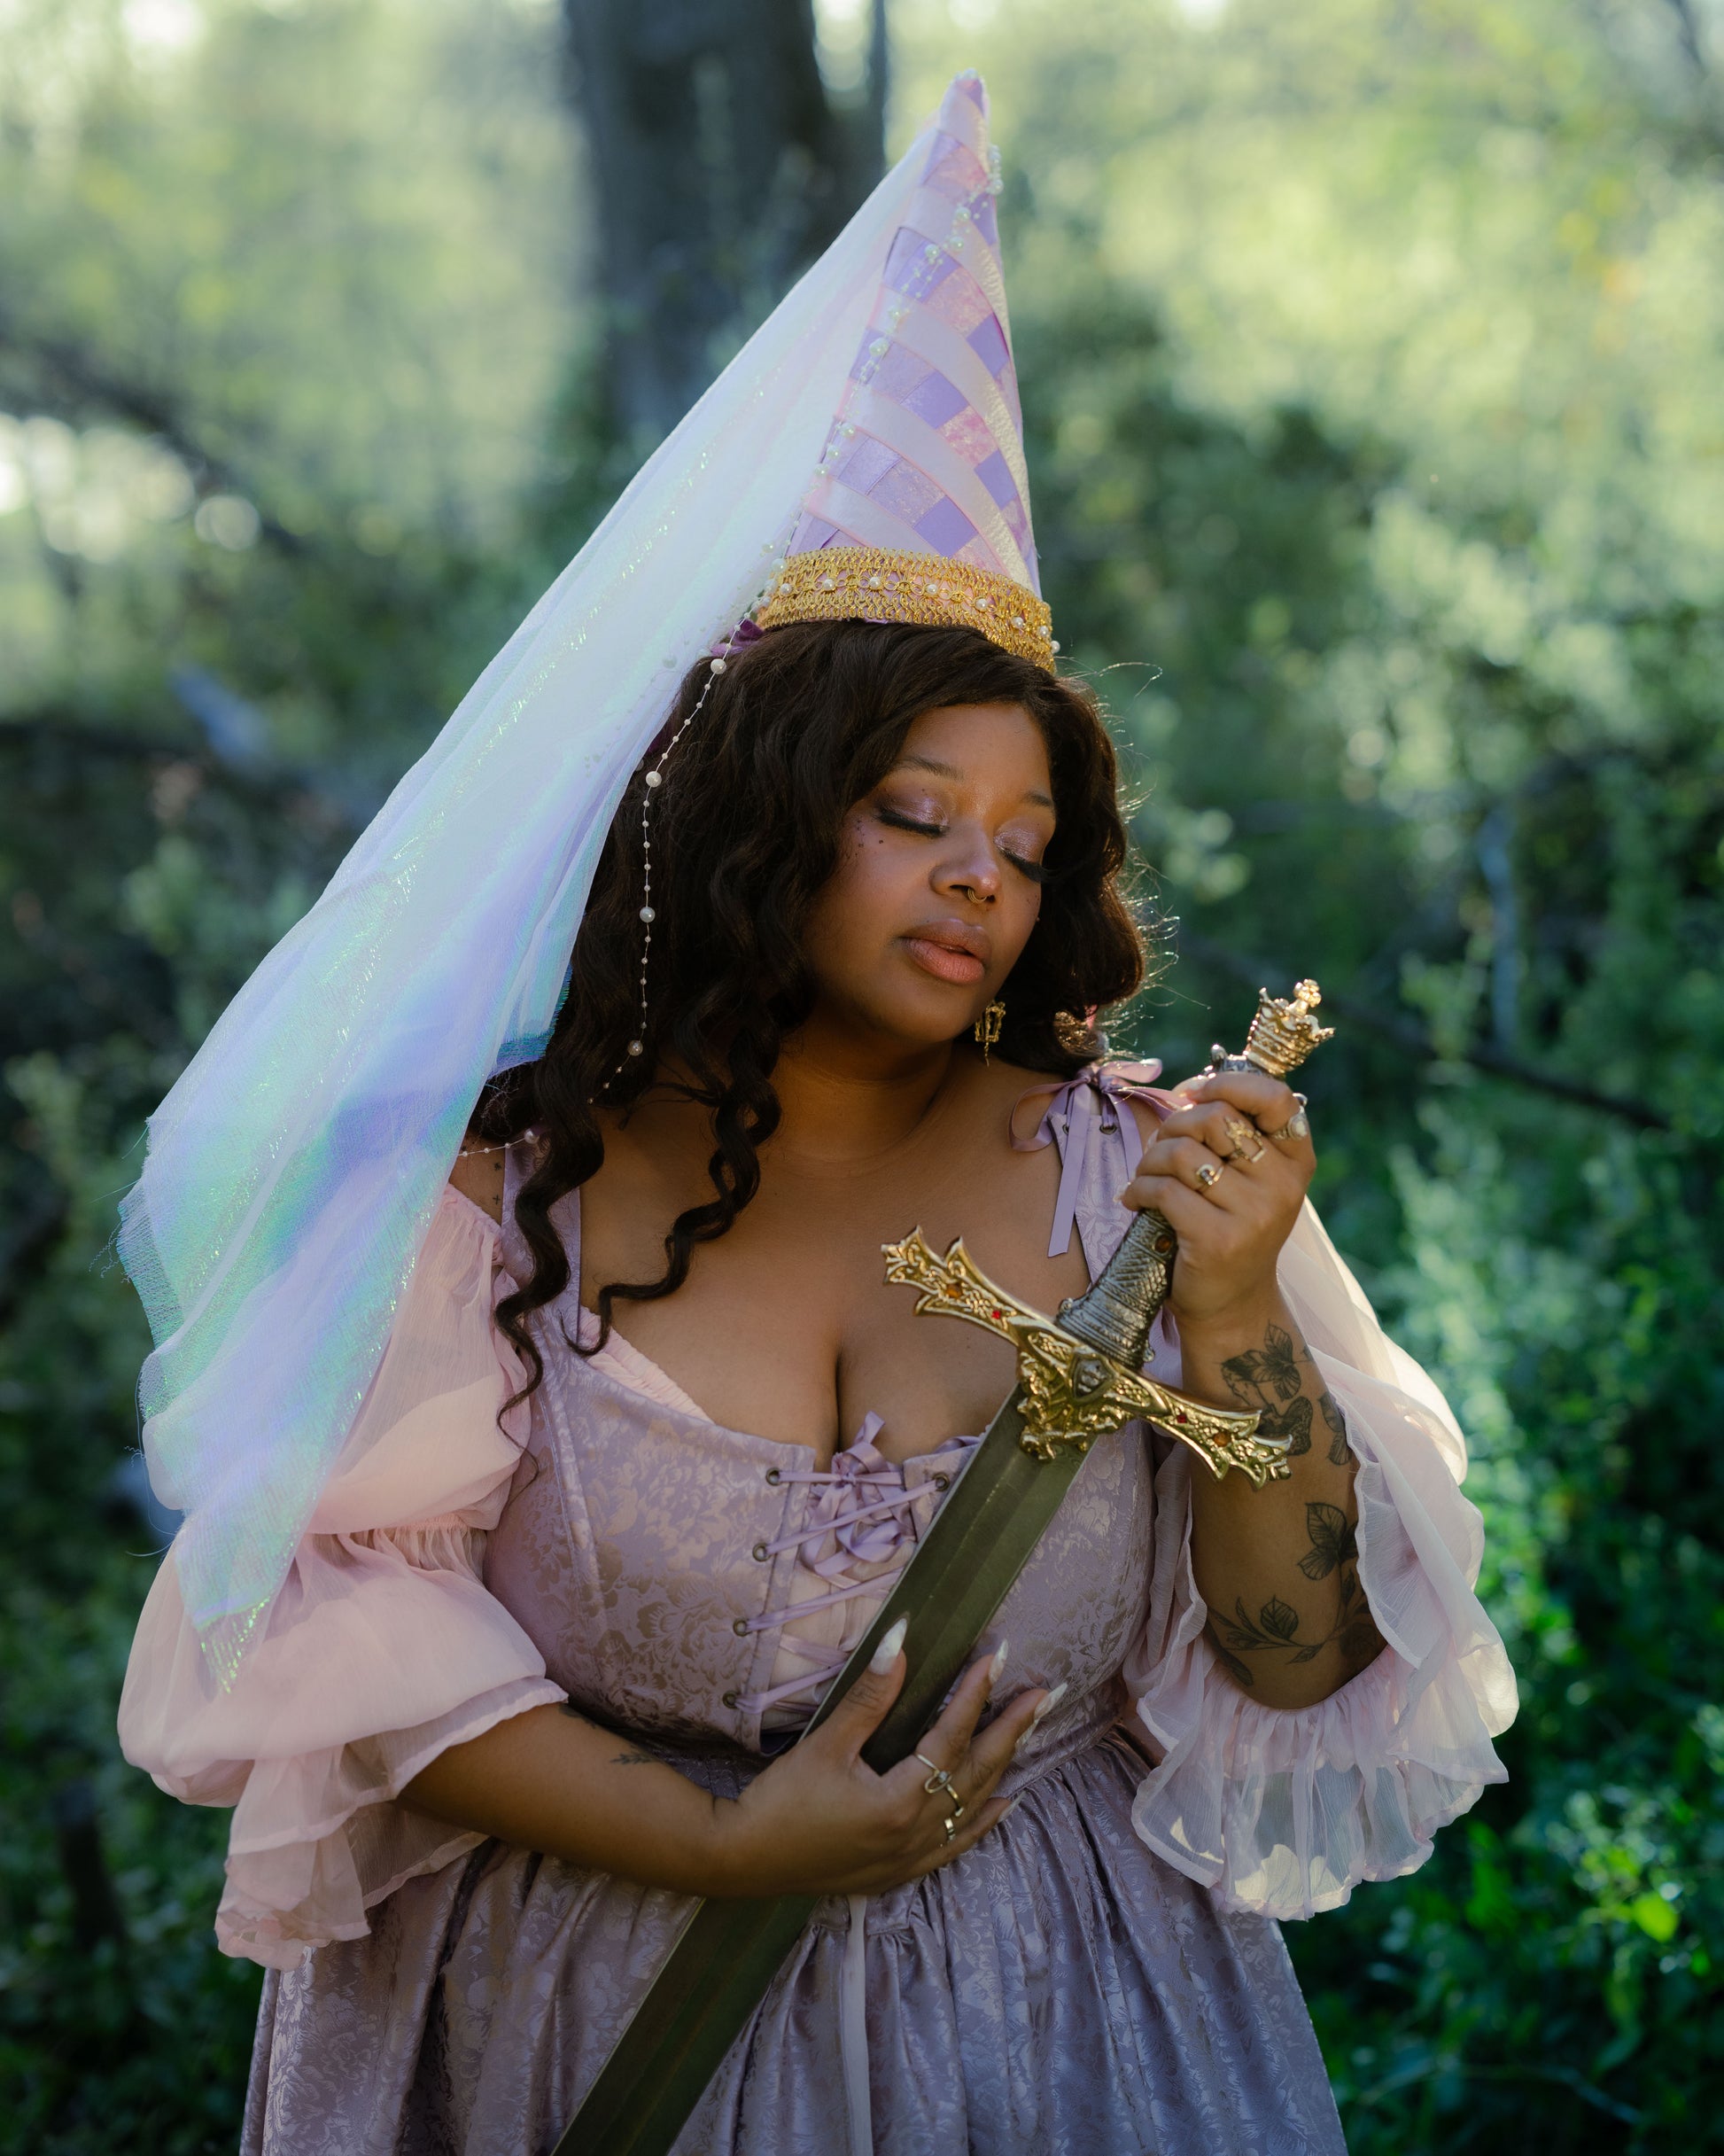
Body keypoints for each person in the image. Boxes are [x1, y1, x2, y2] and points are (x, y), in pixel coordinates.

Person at [117, 74, 1515, 2155]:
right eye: (916, 814)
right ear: (765, 819)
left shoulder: (1139, 1180)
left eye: (1029, 842)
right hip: (582, 2009)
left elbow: (1296, 1666)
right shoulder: (508, 1204)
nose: (983, 877)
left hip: (1064, 2024)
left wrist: (1228, 1312)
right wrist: (724, 1841)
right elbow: (337, 1636)